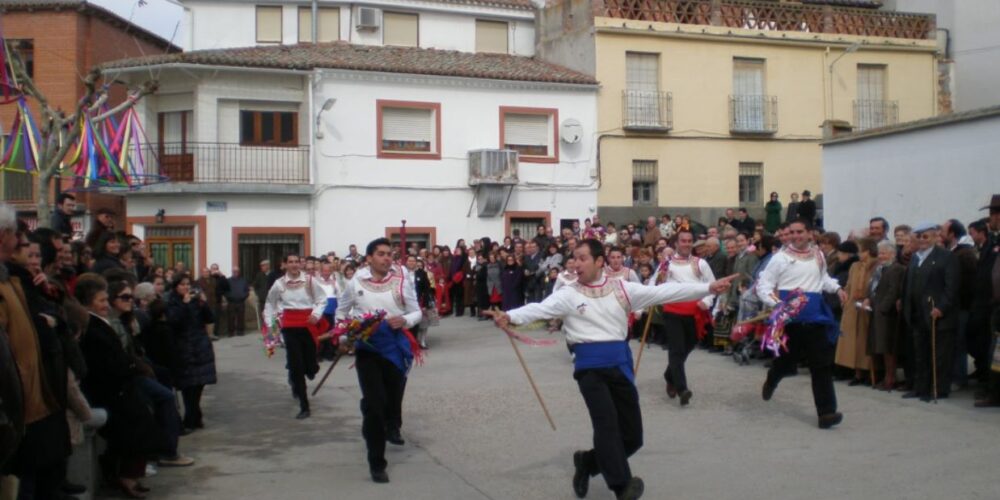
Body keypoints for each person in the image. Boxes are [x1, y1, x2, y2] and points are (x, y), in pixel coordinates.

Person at [485, 240, 734, 500]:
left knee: (632, 437)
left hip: (620, 367)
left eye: (582, 258)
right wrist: (509, 316)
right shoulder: (568, 294)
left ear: (599, 261)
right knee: (606, 426)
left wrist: (708, 287)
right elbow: (538, 308)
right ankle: (622, 485)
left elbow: (666, 292)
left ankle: (587, 463)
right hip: (589, 369)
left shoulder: (623, 289)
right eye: (575, 258)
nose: (576, 264)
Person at [335, 238, 422, 484]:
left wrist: (405, 321)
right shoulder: (356, 283)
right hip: (368, 349)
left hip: (395, 348)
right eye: (381, 254)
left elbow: (416, 311)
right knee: (375, 404)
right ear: (369, 258)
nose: (387, 258)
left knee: (390, 402)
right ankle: (377, 462)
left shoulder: (401, 281)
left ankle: (387, 422)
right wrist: (343, 335)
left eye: (389, 254)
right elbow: (342, 311)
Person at [76, 273, 166, 498]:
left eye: (106, 300)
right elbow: (106, 363)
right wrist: (130, 370)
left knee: (145, 419)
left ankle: (130, 474)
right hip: (111, 390)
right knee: (136, 426)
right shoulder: (92, 328)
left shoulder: (101, 324)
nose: (106, 305)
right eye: (101, 300)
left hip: (121, 385)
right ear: (89, 303)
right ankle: (126, 476)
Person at [757, 218, 848, 429]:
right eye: (792, 232)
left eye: (800, 232)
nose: (795, 236)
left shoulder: (818, 255)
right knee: (787, 362)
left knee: (821, 365)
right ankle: (773, 379)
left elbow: (823, 278)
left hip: (816, 317)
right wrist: (778, 304)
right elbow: (764, 285)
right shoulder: (779, 258)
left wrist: (837, 289)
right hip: (790, 319)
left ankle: (826, 413)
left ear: (810, 234)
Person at [649, 230, 716, 406]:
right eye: (683, 241)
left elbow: (712, 286)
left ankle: (669, 375)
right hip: (672, 311)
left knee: (689, 345)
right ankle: (682, 389)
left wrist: (706, 301)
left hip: (694, 312)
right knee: (676, 349)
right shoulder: (667, 264)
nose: (686, 244)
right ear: (676, 244)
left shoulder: (700, 263)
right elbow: (653, 283)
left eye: (689, 241)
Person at [901, 223, 959, 401]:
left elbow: (952, 287)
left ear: (935, 237)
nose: (922, 240)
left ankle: (938, 389)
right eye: (919, 237)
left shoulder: (946, 257)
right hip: (918, 313)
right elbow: (909, 285)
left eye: (925, 236)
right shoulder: (915, 258)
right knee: (921, 353)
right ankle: (921, 387)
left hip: (937, 314)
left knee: (939, 355)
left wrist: (941, 307)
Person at [264, 254, 326, 419]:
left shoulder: (310, 281)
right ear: (284, 265)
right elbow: (270, 303)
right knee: (297, 364)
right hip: (290, 326)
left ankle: (305, 369)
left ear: (301, 264)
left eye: (296, 262)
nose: (294, 265)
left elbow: (321, 299)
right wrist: (270, 326)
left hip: (307, 324)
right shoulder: (279, 284)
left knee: (311, 365)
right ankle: (304, 405)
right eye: (290, 262)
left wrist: (316, 314)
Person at [166, 274, 218, 430]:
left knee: (199, 384)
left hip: (200, 345)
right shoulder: (173, 302)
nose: (186, 287)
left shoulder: (196, 301)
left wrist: (204, 303)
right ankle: (192, 418)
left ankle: (193, 416)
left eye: (188, 284)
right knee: (188, 385)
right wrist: (185, 304)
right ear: (176, 287)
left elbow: (209, 318)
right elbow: (175, 321)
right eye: (182, 284)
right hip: (184, 347)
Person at [835, 238, 878, 385]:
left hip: (867, 307)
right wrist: (845, 298)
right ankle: (857, 373)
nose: (859, 254)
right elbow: (848, 285)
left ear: (868, 251)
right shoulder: (855, 266)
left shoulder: (875, 266)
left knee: (865, 342)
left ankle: (868, 372)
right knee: (852, 342)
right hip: (853, 306)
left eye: (861, 251)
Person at [865, 241, 906, 391]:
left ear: (893, 254)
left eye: (884, 253)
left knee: (889, 348)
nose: (881, 256)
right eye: (880, 253)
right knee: (881, 347)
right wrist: (868, 298)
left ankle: (891, 378)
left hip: (888, 315)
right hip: (877, 312)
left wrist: (882, 308)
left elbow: (893, 291)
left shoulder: (896, 269)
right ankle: (886, 376)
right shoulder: (880, 269)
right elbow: (872, 287)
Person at [226, 266, 250, 337]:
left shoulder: (243, 280)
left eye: (237, 271)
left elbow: (247, 291)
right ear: (232, 272)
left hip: (241, 302)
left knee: (241, 317)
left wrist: (243, 297)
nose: (235, 273)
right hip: (231, 302)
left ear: (239, 272)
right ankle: (231, 332)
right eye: (234, 271)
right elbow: (225, 291)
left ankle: (240, 331)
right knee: (231, 317)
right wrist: (229, 297)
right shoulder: (228, 281)